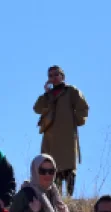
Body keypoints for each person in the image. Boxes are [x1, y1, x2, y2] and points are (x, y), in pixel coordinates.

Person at [33, 66, 89, 197]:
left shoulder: (71, 91)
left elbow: (83, 108)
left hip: (67, 135)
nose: (53, 78)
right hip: (50, 136)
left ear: (62, 76)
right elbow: (37, 108)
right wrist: (46, 93)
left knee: (69, 166)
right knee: (51, 166)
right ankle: (55, 196)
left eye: (56, 74)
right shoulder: (49, 95)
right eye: (50, 76)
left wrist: (74, 120)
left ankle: (69, 198)